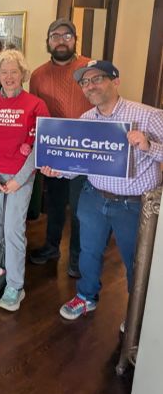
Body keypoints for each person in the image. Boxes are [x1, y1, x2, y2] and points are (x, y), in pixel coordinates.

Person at [41, 60, 163, 321]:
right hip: (94, 197)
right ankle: (86, 296)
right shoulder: (86, 119)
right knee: (89, 252)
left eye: (97, 79)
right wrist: (57, 171)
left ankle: (136, 314)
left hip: (134, 205)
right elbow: (78, 163)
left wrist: (148, 145)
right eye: (85, 82)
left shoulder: (148, 115)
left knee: (136, 260)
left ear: (115, 81)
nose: (90, 86)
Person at [0, 49, 50, 312]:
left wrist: (19, 180)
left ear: (22, 74)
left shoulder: (36, 105)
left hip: (20, 178)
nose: (8, 77)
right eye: (3, 72)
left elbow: (40, 146)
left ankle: (15, 285)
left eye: (14, 72)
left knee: (13, 230)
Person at [29, 18, 91, 277]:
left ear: (75, 40)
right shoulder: (38, 75)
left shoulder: (89, 68)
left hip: (85, 150)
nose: (61, 40)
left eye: (67, 36)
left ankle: (76, 257)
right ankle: (52, 247)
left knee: (79, 208)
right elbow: (34, 113)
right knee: (54, 203)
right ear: (48, 41)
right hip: (53, 151)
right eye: (55, 36)